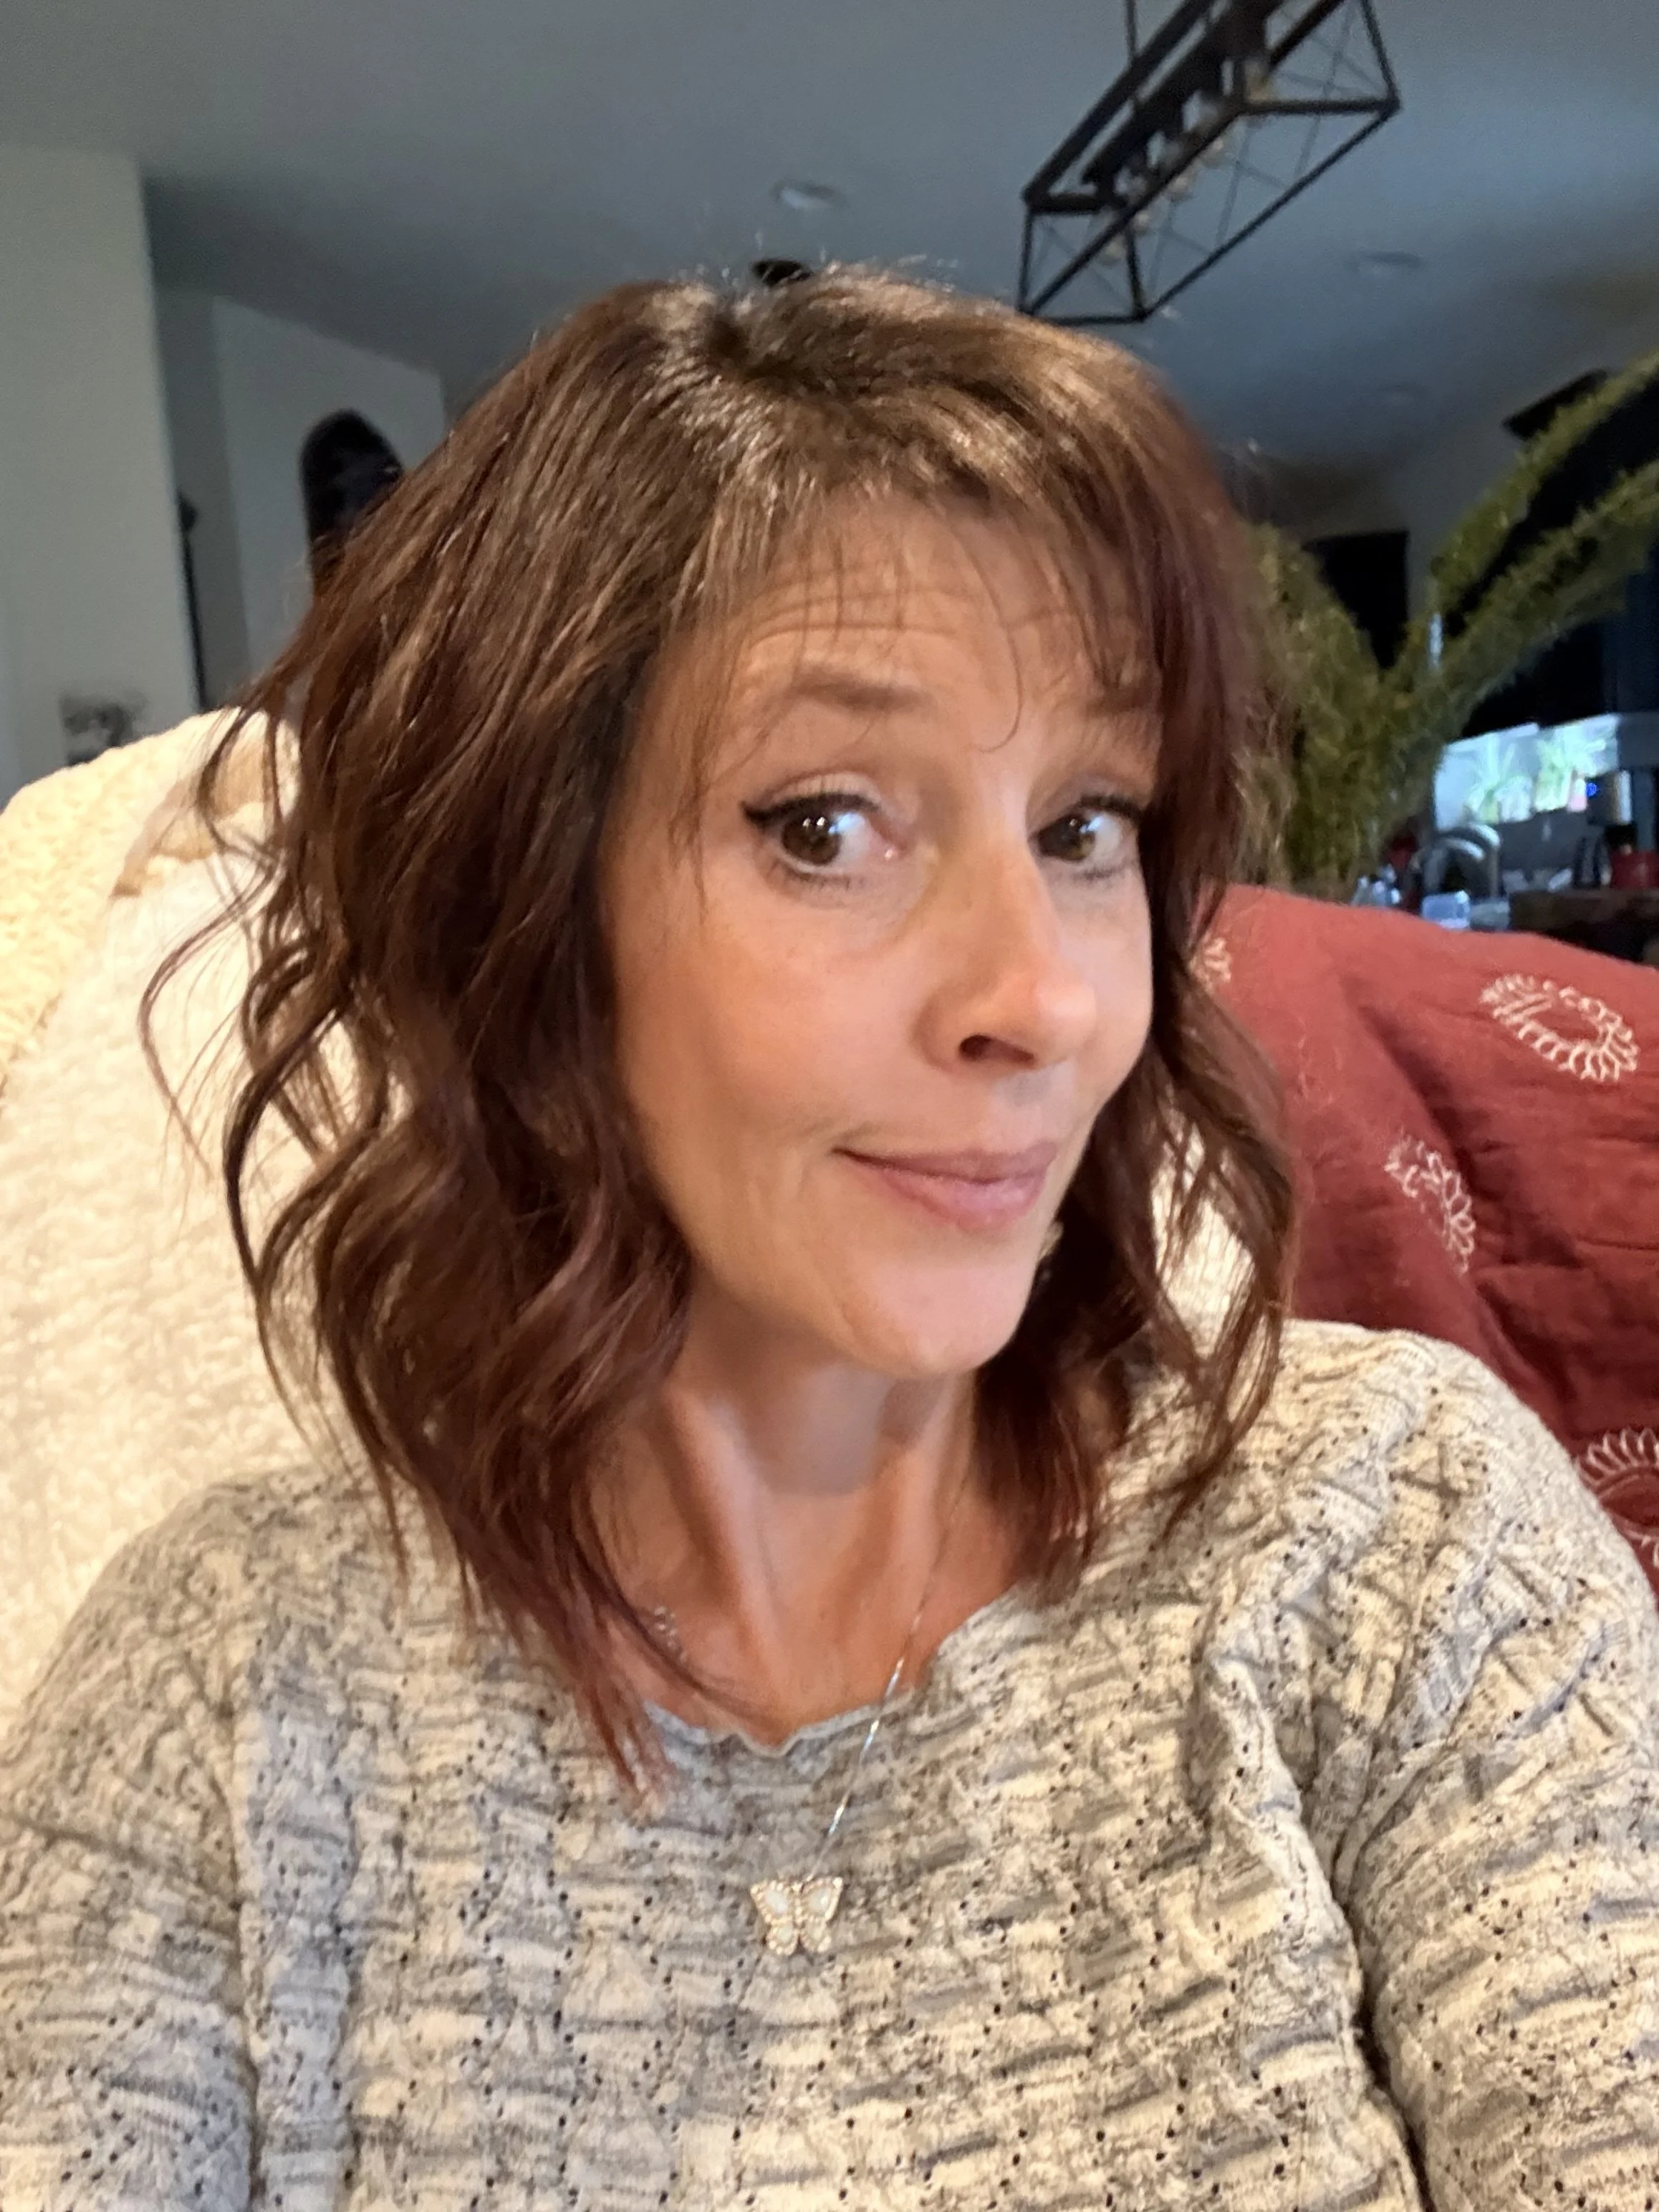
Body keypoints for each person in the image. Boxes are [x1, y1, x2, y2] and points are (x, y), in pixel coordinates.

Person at [1, 269, 1655, 2211]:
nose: (1035, 999)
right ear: (517, 921)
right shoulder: (223, 1691)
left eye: (1085, 823)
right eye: (823, 824)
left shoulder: (1395, 1537)